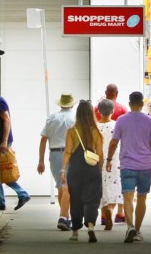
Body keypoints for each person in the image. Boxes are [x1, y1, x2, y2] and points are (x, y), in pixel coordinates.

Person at [106, 91, 151, 243]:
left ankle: (129, 227)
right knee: (142, 198)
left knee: (128, 196)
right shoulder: (150, 121)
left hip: (127, 165)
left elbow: (114, 142)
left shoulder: (121, 120)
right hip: (145, 165)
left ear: (129, 104)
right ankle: (137, 229)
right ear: (142, 104)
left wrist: (109, 159)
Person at [61, 100, 103, 242]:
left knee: (76, 200)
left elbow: (67, 152)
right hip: (92, 169)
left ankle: (75, 232)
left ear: (78, 113)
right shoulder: (96, 131)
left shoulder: (72, 131)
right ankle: (91, 226)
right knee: (92, 199)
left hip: (75, 170)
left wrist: (63, 170)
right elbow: (100, 154)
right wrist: (100, 169)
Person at [0, 96, 31, 212]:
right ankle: (1, 202)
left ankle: (22, 194)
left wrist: (4, 141)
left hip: (1, 143)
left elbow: (7, 120)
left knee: (1, 171)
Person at [37, 93, 76, 231]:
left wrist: (41, 160)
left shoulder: (51, 118)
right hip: (69, 154)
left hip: (53, 154)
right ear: (72, 104)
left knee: (61, 186)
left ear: (60, 104)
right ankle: (63, 217)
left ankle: (65, 217)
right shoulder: (74, 118)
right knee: (67, 187)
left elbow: (43, 139)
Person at [94, 83, 128, 224]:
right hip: (115, 157)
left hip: (98, 158)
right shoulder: (122, 111)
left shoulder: (95, 117)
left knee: (102, 184)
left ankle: (103, 214)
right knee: (118, 184)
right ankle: (119, 213)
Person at [96, 99, 123, 230]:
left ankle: (103, 214)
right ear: (112, 111)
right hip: (114, 160)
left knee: (101, 187)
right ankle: (111, 211)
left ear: (98, 111)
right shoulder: (116, 125)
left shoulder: (94, 127)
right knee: (114, 187)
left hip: (98, 161)